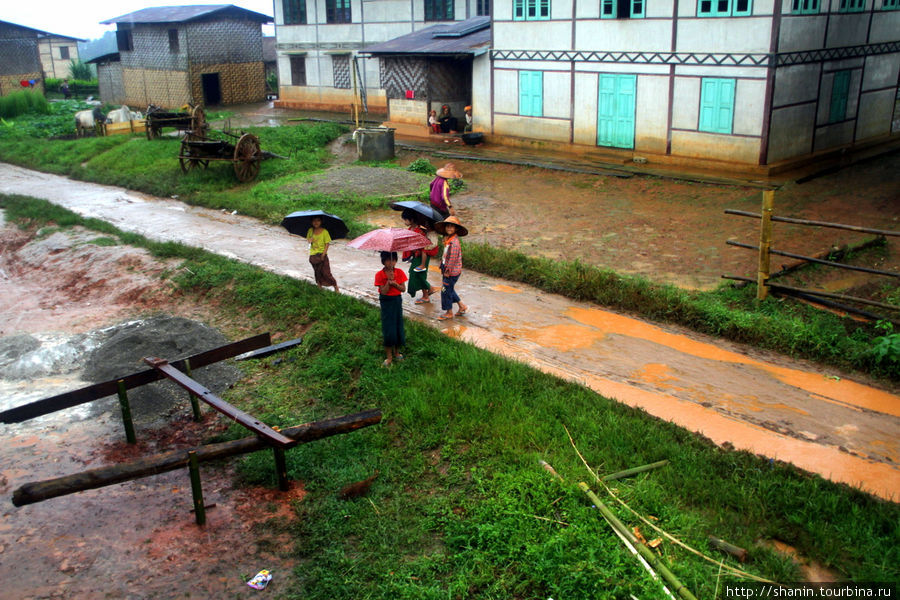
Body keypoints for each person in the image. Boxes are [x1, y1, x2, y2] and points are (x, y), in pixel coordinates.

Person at [375, 251, 407, 367]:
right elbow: (383, 291)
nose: (391, 262)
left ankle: (397, 352)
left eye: (393, 260)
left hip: (397, 301)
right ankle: (389, 357)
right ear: (383, 261)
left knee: (398, 326)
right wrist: (388, 283)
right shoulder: (379, 274)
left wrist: (395, 284)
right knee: (388, 328)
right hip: (386, 302)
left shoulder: (399, 272)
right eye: (388, 260)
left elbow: (403, 289)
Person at [434, 216, 468, 321]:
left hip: (451, 271)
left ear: (456, 229)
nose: (449, 228)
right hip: (448, 268)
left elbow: (452, 259)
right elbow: (446, 255)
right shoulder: (448, 240)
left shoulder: (454, 243)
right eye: (447, 226)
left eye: (451, 227)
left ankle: (449, 312)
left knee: (445, 291)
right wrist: (442, 265)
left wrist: (447, 271)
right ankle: (462, 306)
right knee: (449, 289)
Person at [401, 211, 439, 304]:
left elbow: (422, 246)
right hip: (416, 256)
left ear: (412, 219)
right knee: (416, 273)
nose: (404, 222)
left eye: (405, 220)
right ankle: (426, 293)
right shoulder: (411, 229)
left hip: (422, 256)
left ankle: (428, 291)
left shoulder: (419, 231)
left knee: (418, 274)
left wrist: (415, 250)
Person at [306, 216, 339, 293]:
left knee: (326, 273)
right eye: (314, 221)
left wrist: (323, 255)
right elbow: (308, 239)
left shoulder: (325, 232)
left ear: (321, 222)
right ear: (311, 222)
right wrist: (309, 240)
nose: (316, 222)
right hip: (313, 255)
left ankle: (335, 286)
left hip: (322, 255)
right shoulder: (310, 230)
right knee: (317, 272)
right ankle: (319, 286)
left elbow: (327, 244)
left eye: (318, 220)